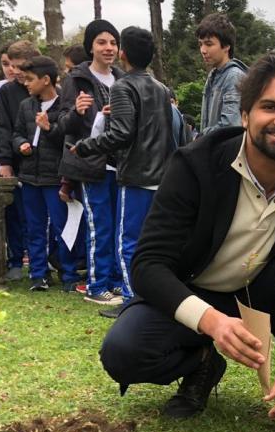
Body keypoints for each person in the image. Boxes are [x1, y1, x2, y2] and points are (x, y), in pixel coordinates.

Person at [98, 53, 275, 432]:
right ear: (246, 114)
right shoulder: (196, 163)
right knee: (123, 352)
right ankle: (203, 362)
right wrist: (213, 324)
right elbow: (148, 263)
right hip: (197, 296)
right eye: (270, 107)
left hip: (264, 292)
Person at [73, 26, 175, 315]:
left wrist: (85, 147)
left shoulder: (123, 87)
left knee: (127, 242)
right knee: (152, 241)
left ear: (123, 53)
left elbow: (121, 133)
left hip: (136, 176)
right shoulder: (161, 88)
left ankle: (133, 300)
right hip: (162, 176)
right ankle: (153, 296)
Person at [57, 19, 125, 306]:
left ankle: (115, 282)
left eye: (112, 42)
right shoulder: (77, 79)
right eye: (101, 42)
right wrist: (77, 111)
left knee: (120, 226)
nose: (108, 48)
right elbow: (61, 124)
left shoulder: (123, 78)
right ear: (91, 47)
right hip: (91, 163)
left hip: (121, 164)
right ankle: (97, 286)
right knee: (100, 226)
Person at [12, 56, 80, 292]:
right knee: (34, 227)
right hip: (30, 177)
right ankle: (38, 275)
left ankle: (69, 274)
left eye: (30, 79)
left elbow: (68, 138)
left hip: (55, 177)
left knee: (62, 228)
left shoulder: (65, 105)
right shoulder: (26, 106)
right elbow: (17, 133)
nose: (26, 84)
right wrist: (20, 144)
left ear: (46, 80)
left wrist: (49, 129)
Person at [0, 40, 41, 281]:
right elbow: (2, 127)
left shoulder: (48, 86)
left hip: (45, 164)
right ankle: (15, 260)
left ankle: (41, 263)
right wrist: (4, 161)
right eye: (11, 66)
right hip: (16, 161)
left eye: (20, 66)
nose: (15, 71)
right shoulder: (7, 91)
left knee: (38, 219)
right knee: (15, 215)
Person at [196, 13, 247, 136]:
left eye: (209, 44)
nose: (203, 50)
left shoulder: (234, 76)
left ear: (226, 46)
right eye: (200, 44)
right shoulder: (213, 75)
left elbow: (231, 127)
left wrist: (201, 137)